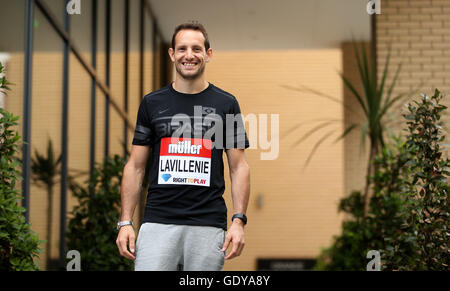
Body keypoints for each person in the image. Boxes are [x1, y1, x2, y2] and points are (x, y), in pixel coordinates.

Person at [115, 22, 251, 271]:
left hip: (208, 225)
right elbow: (135, 167)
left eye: (197, 49)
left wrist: (238, 220)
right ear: (172, 54)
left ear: (208, 55)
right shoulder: (151, 103)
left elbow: (238, 167)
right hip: (158, 223)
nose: (189, 55)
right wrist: (125, 222)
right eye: (182, 49)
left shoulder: (226, 104)